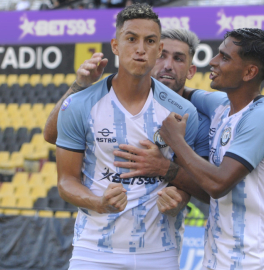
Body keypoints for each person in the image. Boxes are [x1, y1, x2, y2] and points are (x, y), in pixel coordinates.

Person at [114, 28, 264, 269]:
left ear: (250, 72)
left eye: (225, 57)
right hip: (217, 259)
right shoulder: (220, 105)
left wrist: (172, 149)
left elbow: (218, 185)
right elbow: (178, 91)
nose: (213, 61)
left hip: (258, 261)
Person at [53, 4, 200, 269]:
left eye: (150, 41)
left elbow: (191, 180)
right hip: (94, 251)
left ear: (158, 49)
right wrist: (99, 202)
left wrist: (180, 195)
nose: (141, 48)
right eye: (131, 39)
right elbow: (66, 181)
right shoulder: (79, 105)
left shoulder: (182, 111)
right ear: (115, 45)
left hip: (159, 253)